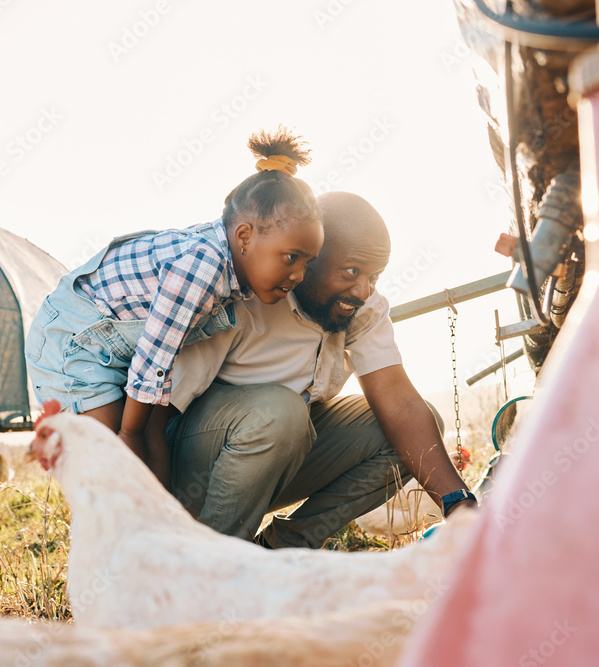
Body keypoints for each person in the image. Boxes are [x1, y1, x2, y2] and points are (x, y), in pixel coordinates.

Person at [162, 191, 477, 549]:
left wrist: (460, 505)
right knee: (281, 411)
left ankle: (279, 553)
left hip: (273, 463)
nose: (362, 289)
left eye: (374, 276)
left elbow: (400, 403)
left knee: (418, 425)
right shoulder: (243, 294)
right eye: (351, 271)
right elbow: (161, 409)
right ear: (309, 256)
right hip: (185, 473)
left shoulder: (362, 307)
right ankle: (215, 566)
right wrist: (141, 516)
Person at [25, 128, 325, 485]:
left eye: (308, 262)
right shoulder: (203, 265)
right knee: (115, 464)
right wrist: (131, 436)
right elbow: (153, 358)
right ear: (244, 237)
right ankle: (121, 529)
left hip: (126, 351)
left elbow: (158, 372)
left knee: (152, 445)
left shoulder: (229, 268)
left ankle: (164, 523)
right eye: (292, 258)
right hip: (74, 343)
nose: (299, 275)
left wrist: (146, 437)